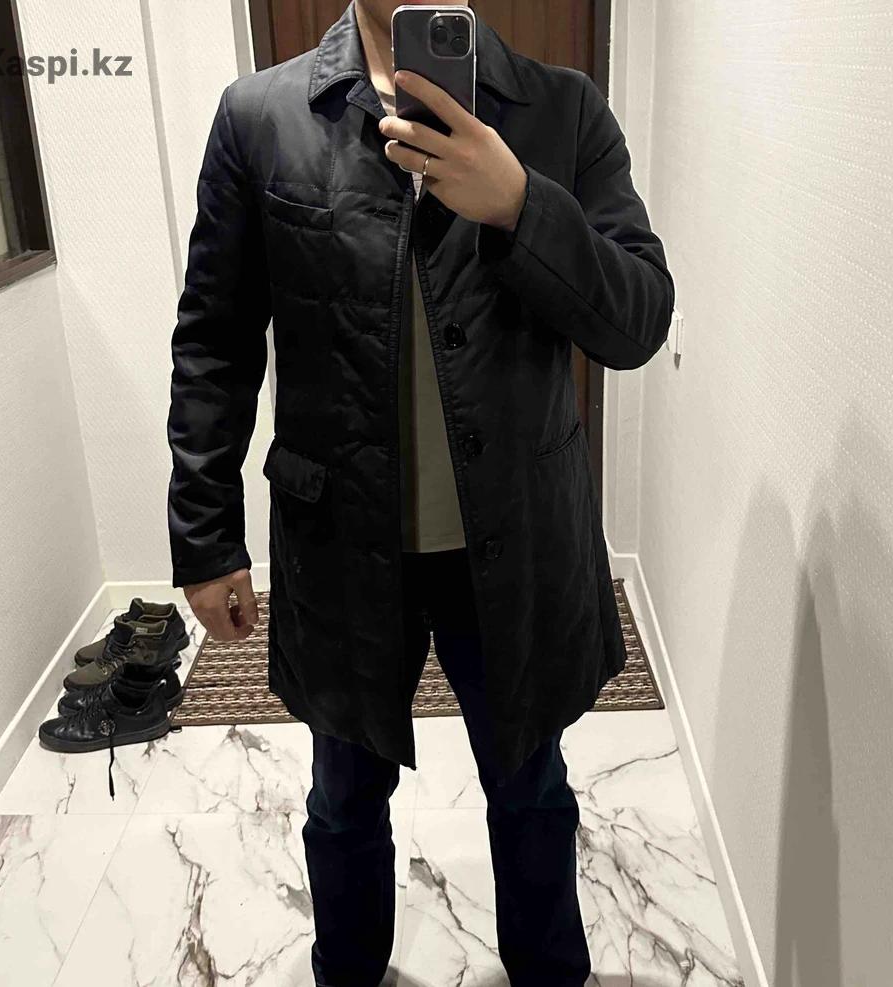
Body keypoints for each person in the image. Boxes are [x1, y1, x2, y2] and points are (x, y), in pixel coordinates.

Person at [166, 1, 673, 983]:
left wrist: (520, 202)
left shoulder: (562, 110)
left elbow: (639, 320)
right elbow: (215, 341)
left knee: (531, 791)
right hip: (341, 546)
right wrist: (206, 533)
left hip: (516, 539)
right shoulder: (261, 117)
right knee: (343, 798)